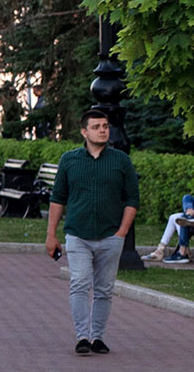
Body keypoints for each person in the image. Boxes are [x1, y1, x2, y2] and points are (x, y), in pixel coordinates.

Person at [45, 107, 139, 355]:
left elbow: (132, 199)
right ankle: (82, 337)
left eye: (105, 126)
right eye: (97, 127)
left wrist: (122, 233)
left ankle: (97, 337)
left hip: (110, 236)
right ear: (84, 132)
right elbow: (58, 199)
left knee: (104, 290)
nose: (102, 131)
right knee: (79, 283)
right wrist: (51, 235)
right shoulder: (69, 160)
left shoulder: (121, 161)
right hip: (78, 235)